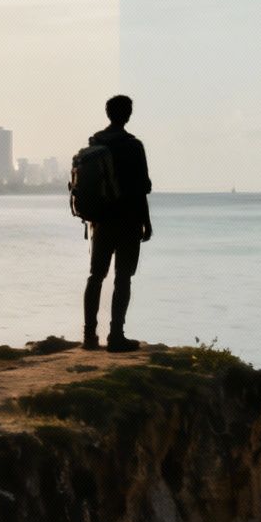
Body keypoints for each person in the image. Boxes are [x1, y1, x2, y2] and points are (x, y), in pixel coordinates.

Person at [83, 94, 151, 352]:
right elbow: (142, 188)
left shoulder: (94, 143)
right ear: (128, 114)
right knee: (123, 278)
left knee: (96, 276)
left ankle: (89, 336)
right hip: (128, 219)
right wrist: (147, 222)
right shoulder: (134, 146)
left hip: (99, 221)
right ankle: (116, 337)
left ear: (108, 113)